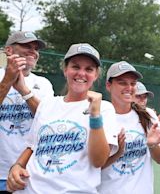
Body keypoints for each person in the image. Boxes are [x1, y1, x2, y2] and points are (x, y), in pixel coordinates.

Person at [6, 43, 118, 193]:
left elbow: (98, 161)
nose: (81, 73)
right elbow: (32, 146)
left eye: (89, 69)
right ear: (65, 70)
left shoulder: (105, 108)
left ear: (96, 75)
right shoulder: (46, 105)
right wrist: (17, 166)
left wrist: (95, 115)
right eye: (76, 67)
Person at [99, 61, 160, 194]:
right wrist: (117, 152)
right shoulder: (99, 116)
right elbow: (94, 166)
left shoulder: (148, 115)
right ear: (109, 85)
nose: (129, 87)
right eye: (122, 82)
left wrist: (152, 145)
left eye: (132, 83)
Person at [0, 31, 54, 193]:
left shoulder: (43, 84)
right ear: (9, 50)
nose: (33, 51)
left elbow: (48, 122)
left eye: (36, 48)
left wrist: (24, 91)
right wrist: (7, 81)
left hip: (26, 174)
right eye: (27, 46)